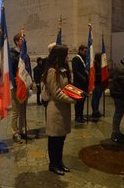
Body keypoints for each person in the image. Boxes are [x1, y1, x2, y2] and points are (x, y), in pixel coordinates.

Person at [43, 45, 76, 175]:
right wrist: (72, 100)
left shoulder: (62, 69)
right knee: (54, 139)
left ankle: (60, 162)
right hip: (56, 109)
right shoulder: (52, 71)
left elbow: (67, 87)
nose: (68, 57)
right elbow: (56, 92)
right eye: (66, 55)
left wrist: (76, 93)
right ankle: (53, 164)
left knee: (61, 138)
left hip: (64, 108)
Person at [10, 33, 32, 142]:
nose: (23, 41)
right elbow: (10, 70)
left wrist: (30, 82)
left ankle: (22, 130)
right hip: (15, 86)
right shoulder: (12, 54)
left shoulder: (25, 55)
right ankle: (15, 132)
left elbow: (28, 70)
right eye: (21, 39)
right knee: (15, 111)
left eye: (24, 39)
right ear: (16, 42)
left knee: (23, 110)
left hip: (24, 85)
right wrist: (14, 80)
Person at [72, 45, 88, 123]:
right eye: (85, 51)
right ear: (80, 50)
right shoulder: (76, 59)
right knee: (78, 101)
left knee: (82, 101)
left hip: (84, 84)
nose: (86, 53)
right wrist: (83, 78)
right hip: (78, 84)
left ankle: (81, 116)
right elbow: (75, 71)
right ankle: (77, 116)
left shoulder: (84, 59)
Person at [91, 53, 103, 120]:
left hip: (100, 83)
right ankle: (94, 112)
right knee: (95, 98)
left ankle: (97, 110)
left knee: (98, 98)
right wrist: (101, 74)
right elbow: (94, 74)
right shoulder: (94, 65)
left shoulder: (100, 64)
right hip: (96, 83)